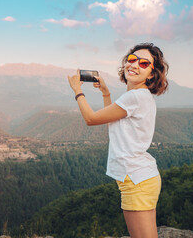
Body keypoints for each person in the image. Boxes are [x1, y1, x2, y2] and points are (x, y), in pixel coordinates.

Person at [68, 43, 169, 238]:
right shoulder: (139, 96)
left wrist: (77, 91)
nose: (134, 64)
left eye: (143, 63)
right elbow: (110, 123)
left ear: (151, 74)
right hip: (142, 177)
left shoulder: (136, 97)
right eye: (131, 59)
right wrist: (106, 94)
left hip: (135, 180)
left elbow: (91, 119)